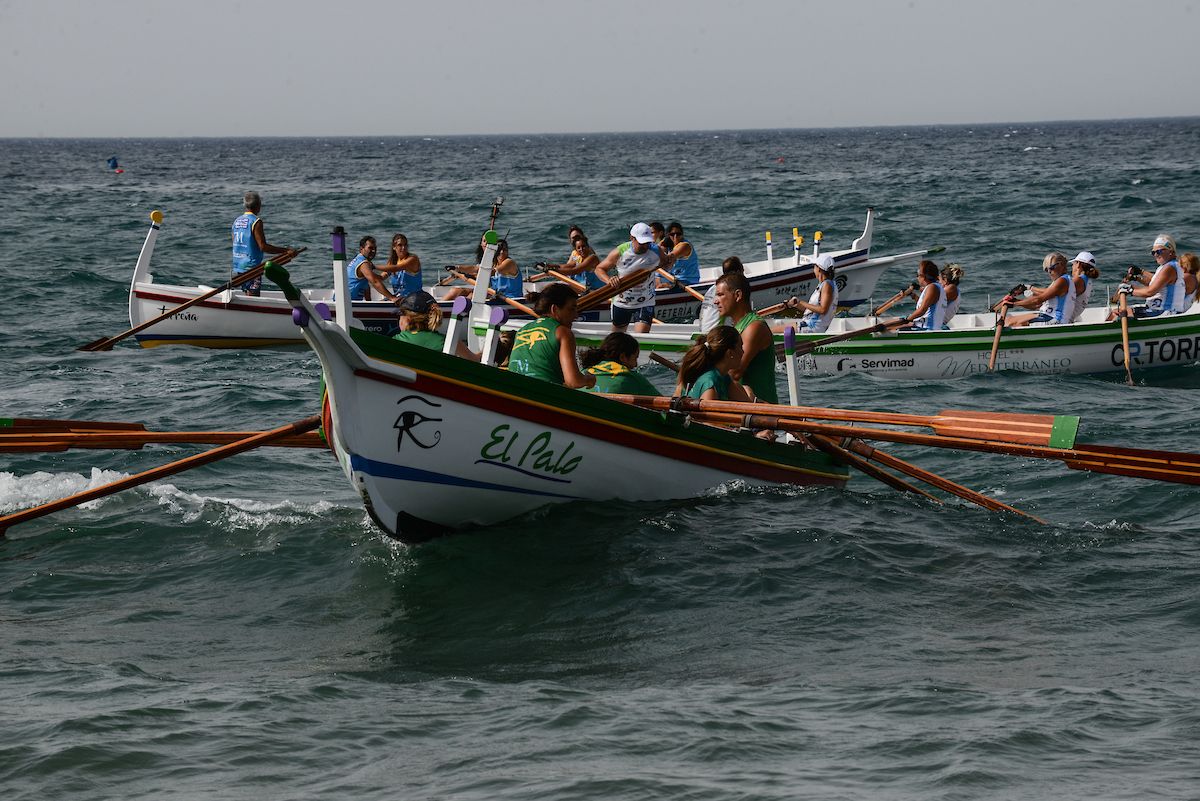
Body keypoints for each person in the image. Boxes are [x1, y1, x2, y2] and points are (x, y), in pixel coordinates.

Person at [506, 283, 596, 389]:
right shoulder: (563, 332)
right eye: (571, 309)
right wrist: (589, 380)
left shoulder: (521, 331)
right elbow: (573, 381)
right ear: (554, 309)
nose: (576, 315)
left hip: (513, 390)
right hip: (543, 395)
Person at [593, 222, 671, 334]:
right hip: (622, 301)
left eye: (647, 242)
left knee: (641, 337)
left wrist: (672, 258)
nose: (645, 246)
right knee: (618, 339)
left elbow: (666, 264)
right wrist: (609, 280)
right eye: (641, 243)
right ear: (632, 238)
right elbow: (599, 269)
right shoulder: (620, 252)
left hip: (645, 302)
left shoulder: (656, 250)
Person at [714, 272, 779, 403]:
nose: (716, 301)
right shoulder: (736, 327)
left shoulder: (754, 327)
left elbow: (735, 372)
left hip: (761, 413)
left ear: (737, 295)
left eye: (720, 295)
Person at [231, 191, 296, 296]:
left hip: (239, 266)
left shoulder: (237, 221)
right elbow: (263, 246)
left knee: (248, 294)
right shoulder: (256, 221)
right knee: (253, 296)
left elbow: (235, 242)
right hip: (252, 268)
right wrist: (285, 251)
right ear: (258, 205)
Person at [1113, 234, 1189, 319]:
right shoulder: (1166, 266)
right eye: (1153, 252)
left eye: (1159, 251)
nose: (1156, 255)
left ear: (1170, 251)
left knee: (1117, 314)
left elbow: (1150, 292)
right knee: (1116, 312)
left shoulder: (1170, 268)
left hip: (1165, 311)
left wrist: (1130, 291)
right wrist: (1137, 276)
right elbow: (1154, 282)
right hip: (1155, 308)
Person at [674, 325, 753, 402]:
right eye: (740, 347)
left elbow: (748, 406)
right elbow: (705, 415)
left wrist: (750, 394)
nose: (743, 352)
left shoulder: (724, 377)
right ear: (730, 353)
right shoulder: (709, 384)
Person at [391, 290, 476, 359]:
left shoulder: (397, 341)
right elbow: (475, 360)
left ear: (408, 319)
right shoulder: (448, 342)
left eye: (400, 316)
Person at [580, 332, 661, 395]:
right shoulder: (633, 378)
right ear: (623, 357)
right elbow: (667, 406)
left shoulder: (581, 373)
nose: (636, 365)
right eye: (635, 358)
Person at [444, 238, 523, 302]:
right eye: (500, 249)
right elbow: (476, 268)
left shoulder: (509, 262)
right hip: (496, 295)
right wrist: (457, 268)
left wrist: (469, 275)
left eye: (505, 250)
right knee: (455, 291)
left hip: (510, 298)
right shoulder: (493, 262)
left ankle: (461, 313)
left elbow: (492, 272)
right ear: (495, 251)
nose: (502, 252)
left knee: (474, 294)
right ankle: (438, 309)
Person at [1008, 252, 1075, 327]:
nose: (1049, 272)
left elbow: (1037, 301)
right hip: (1048, 316)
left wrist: (1013, 304)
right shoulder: (1063, 279)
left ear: (1061, 265)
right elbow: (1045, 294)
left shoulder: (1062, 281)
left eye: (1051, 268)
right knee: (1010, 319)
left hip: (1056, 321)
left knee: (1012, 323)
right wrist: (1028, 289)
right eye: (1047, 269)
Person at [787, 254, 839, 334]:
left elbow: (822, 310)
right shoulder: (825, 284)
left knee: (771, 331)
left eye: (814, 267)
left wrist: (801, 302)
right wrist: (797, 304)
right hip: (810, 325)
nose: (813, 269)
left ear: (819, 269)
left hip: (812, 327)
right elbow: (813, 311)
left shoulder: (827, 285)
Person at [533, 233, 604, 291]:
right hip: (583, 288)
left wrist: (554, 270)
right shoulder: (578, 258)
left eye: (583, 246)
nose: (581, 249)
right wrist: (547, 265)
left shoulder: (592, 258)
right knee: (549, 287)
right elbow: (563, 266)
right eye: (578, 248)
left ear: (588, 246)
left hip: (596, 290)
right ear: (576, 250)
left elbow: (575, 271)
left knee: (556, 289)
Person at [893, 260, 947, 330]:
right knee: (890, 324)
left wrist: (907, 319)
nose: (917, 277)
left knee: (891, 328)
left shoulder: (932, 287)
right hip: (923, 325)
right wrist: (913, 295)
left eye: (917, 274)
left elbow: (922, 310)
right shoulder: (936, 286)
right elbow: (927, 306)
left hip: (927, 328)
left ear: (923, 276)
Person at [699, 256, 746, 332]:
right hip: (717, 336)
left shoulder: (712, 288)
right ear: (738, 272)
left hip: (702, 332)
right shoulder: (730, 289)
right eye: (743, 272)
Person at [346, 236, 400, 302]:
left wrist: (369, 301)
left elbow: (368, 284)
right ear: (361, 249)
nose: (373, 251)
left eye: (375, 248)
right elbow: (375, 281)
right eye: (370, 248)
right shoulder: (363, 263)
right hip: (348, 303)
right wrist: (392, 298)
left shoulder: (358, 260)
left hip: (348, 300)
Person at [379, 233, 423, 300]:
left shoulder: (413, 259)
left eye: (405, 245)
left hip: (415, 299)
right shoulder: (392, 262)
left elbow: (397, 268)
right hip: (399, 299)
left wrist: (374, 266)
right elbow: (381, 277)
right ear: (394, 247)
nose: (403, 247)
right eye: (400, 245)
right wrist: (367, 273)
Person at [661, 221, 701, 286]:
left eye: (678, 234)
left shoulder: (684, 246)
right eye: (672, 234)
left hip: (688, 281)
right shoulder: (668, 244)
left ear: (682, 235)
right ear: (668, 235)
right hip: (675, 280)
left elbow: (670, 257)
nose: (675, 237)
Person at [1068, 251, 1099, 323]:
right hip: (1073, 316)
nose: (1072, 267)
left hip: (1066, 319)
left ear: (1078, 264)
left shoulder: (1080, 280)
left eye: (1073, 264)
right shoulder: (1087, 280)